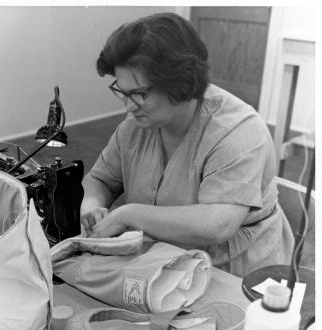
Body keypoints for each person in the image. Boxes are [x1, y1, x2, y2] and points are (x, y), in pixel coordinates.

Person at [80, 12, 294, 277]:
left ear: (180, 83)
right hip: (169, 260)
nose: (128, 105)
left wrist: (127, 214)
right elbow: (100, 179)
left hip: (237, 272)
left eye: (140, 94)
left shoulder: (237, 131)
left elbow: (217, 224)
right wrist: (91, 206)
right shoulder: (135, 127)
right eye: (122, 92)